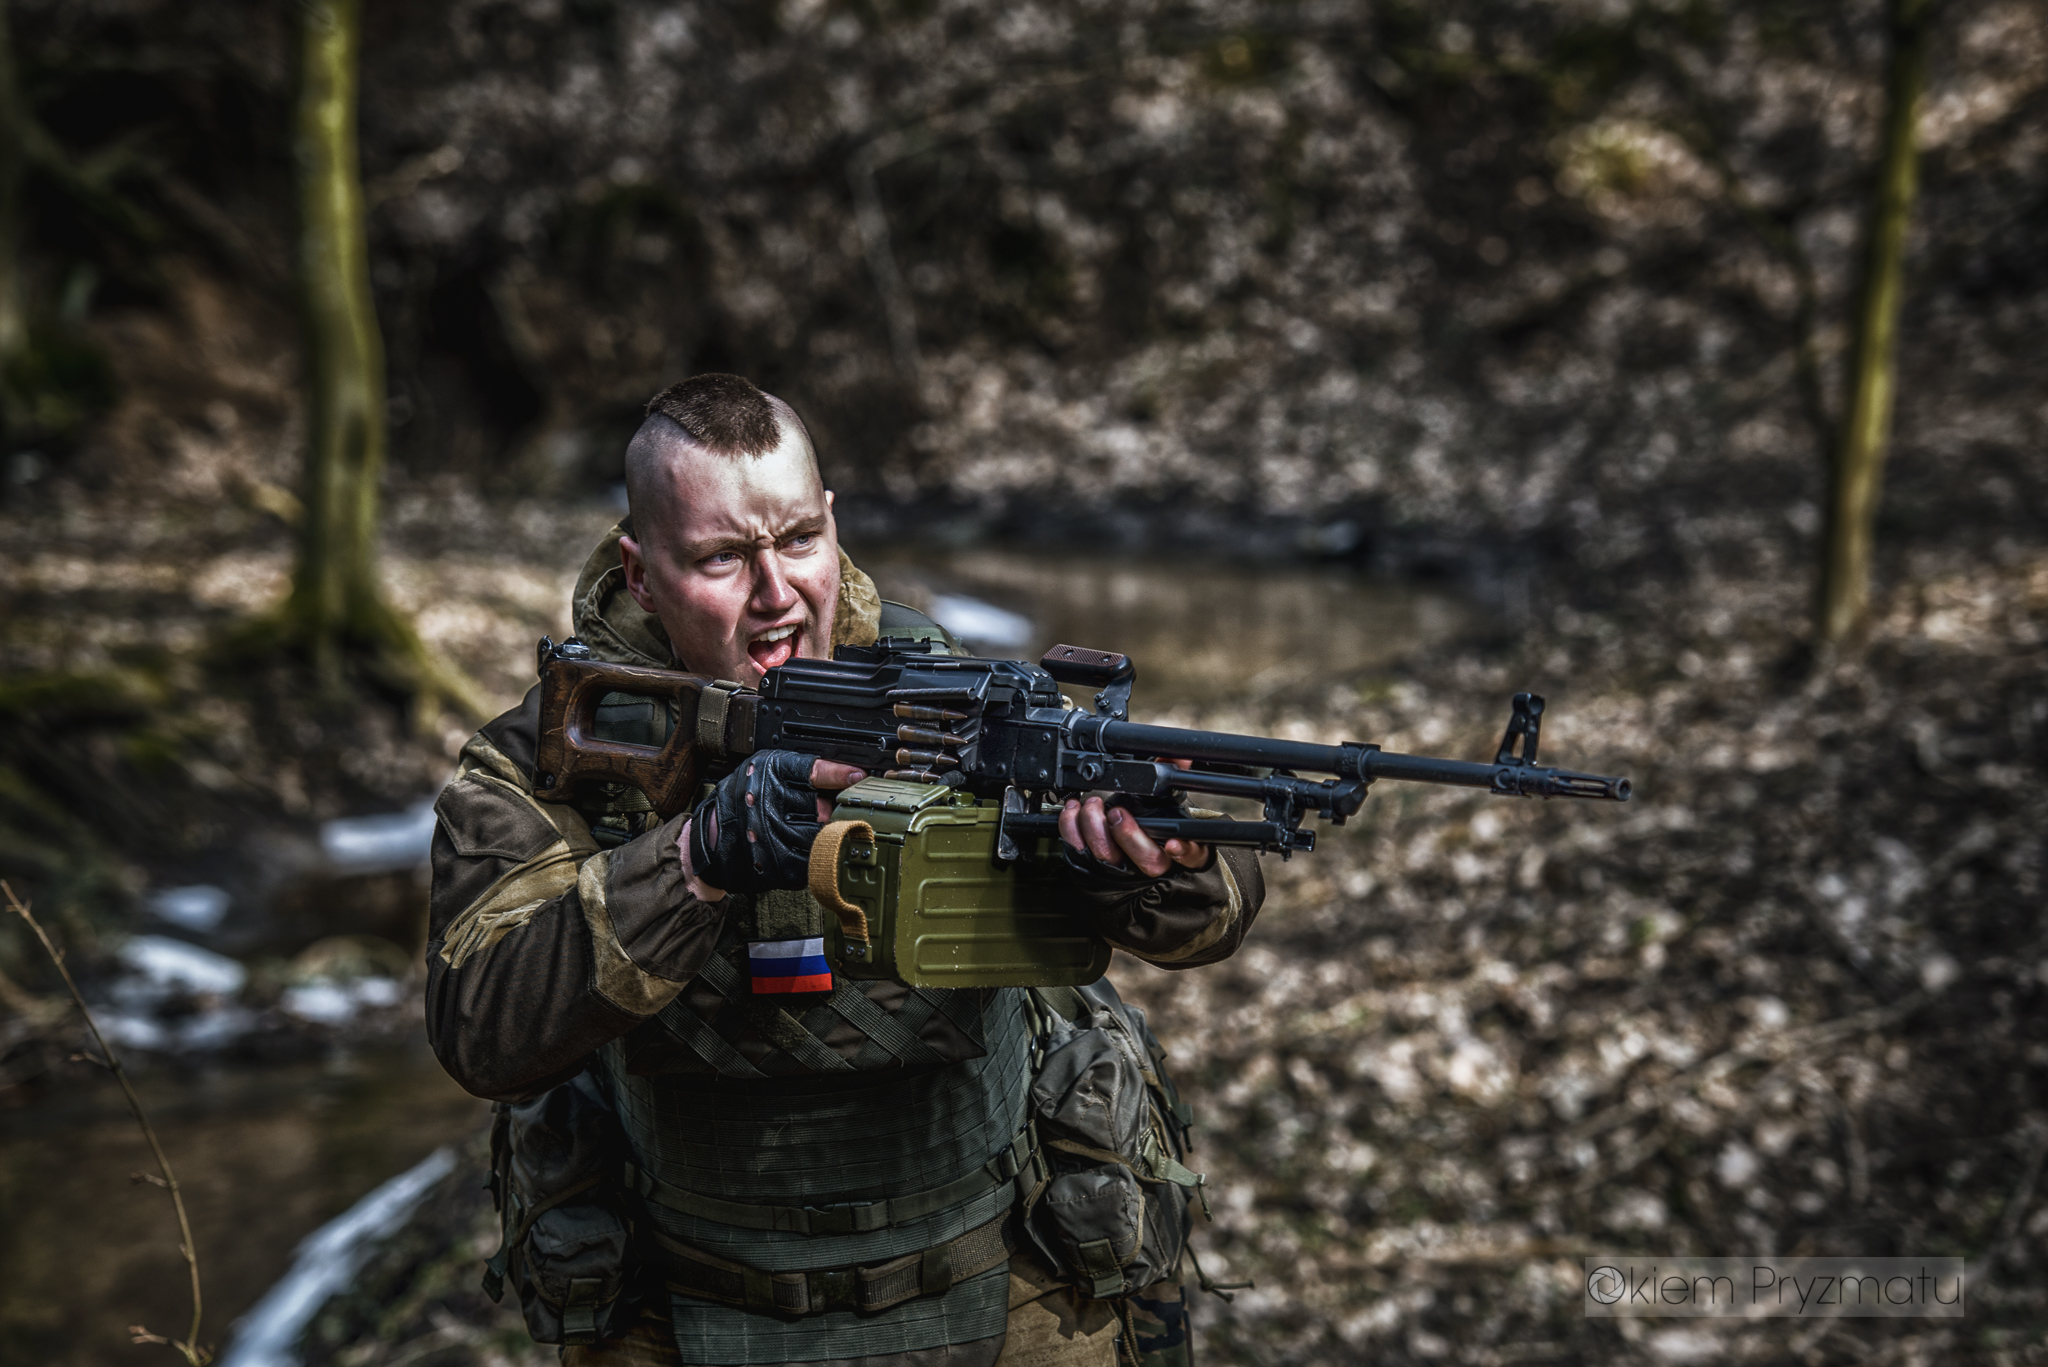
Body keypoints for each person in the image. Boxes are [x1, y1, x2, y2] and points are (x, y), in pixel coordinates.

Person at [426, 373, 1266, 1367]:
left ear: (832, 525)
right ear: (640, 570)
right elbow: (480, 1028)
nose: (776, 593)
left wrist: (1137, 859)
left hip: (1001, 1263)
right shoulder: (556, 749)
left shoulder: (947, 693)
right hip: (683, 1295)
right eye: (722, 557)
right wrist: (692, 860)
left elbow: (1207, 918)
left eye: (795, 540)